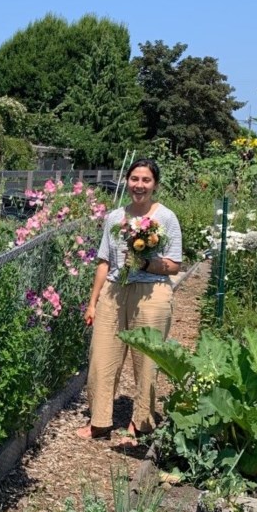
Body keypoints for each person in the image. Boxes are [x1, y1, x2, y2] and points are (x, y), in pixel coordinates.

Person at [75, 159, 182, 446]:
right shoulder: (114, 218)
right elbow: (104, 261)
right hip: (114, 291)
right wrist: (93, 302)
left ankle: (141, 423)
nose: (139, 185)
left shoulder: (166, 218)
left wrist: (146, 264)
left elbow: (174, 266)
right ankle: (99, 421)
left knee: (146, 359)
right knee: (101, 356)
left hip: (152, 294)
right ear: (127, 181)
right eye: (135, 179)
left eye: (146, 180)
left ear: (155, 185)